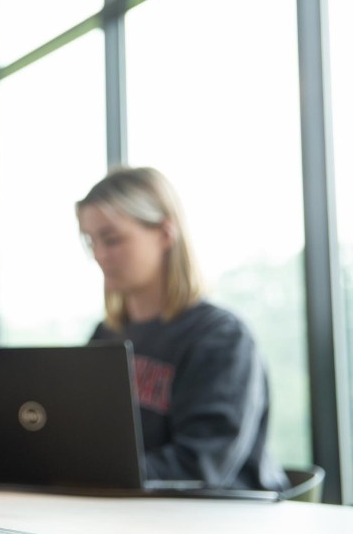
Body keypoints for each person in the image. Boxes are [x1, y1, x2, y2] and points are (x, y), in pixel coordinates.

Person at [75, 166, 288, 493]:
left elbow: (201, 465)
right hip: (134, 516)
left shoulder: (221, 337)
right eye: (91, 242)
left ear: (164, 233)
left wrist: (93, 474)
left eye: (112, 239)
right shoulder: (105, 336)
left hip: (219, 526)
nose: (99, 255)